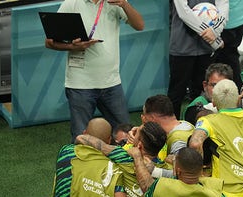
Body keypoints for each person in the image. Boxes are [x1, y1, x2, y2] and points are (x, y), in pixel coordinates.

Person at [45, 0, 144, 142]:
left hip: (111, 82)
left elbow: (140, 25)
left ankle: (124, 164)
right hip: (80, 84)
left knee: (126, 136)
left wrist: (124, 4)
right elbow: (49, 42)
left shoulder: (116, 2)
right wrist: (73, 47)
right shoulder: (71, 3)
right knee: (81, 139)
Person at [168, 0, 228, 118]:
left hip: (206, 48)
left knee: (202, 91)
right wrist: (215, 40)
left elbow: (223, 7)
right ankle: (172, 130)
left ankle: (202, 126)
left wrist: (214, 31)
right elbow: (183, 12)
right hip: (182, 47)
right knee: (176, 93)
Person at [140, 94, 194, 166]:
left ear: (152, 119)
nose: (143, 119)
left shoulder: (178, 143)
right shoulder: (186, 124)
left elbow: (183, 174)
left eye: (144, 117)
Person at [214, 0, 243, 89]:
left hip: (228, 18)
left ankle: (236, 90)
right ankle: (238, 90)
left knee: (225, 56)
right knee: (230, 54)